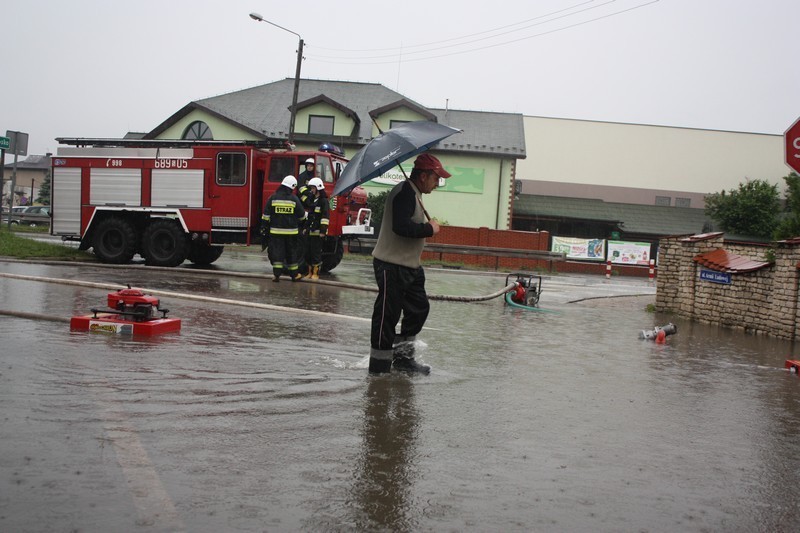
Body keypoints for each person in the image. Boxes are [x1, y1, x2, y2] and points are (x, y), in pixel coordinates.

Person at [369, 153, 451, 375]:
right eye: (436, 179)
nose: (437, 183)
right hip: (391, 265)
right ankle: (379, 366)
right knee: (387, 315)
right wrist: (429, 229)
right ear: (423, 176)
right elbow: (401, 227)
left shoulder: (413, 193)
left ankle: (403, 358)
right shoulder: (404, 193)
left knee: (418, 309)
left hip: (410, 266)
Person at [261, 175, 307, 282]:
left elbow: (266, 215)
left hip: (275, 233)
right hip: (291, 233)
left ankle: (276, 275)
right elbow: (302, 216)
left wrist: (264, 228)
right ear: (291, 187)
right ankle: (294, 275)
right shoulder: (294, 199)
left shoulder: (273, 198)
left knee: (277, 253)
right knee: (291, 253)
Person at [303, 177, 330, 279]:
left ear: (318, 188)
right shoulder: (313, 200)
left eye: (313, 188)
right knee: (308, 253)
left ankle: (315, 273)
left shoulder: (323, 201)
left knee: (316, 253)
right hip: (310, 231)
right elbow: (310, 216)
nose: (312, 190)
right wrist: (306, 227)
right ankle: (309, 272)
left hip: (318, 232)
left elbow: (325, 217)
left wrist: (323, 231)